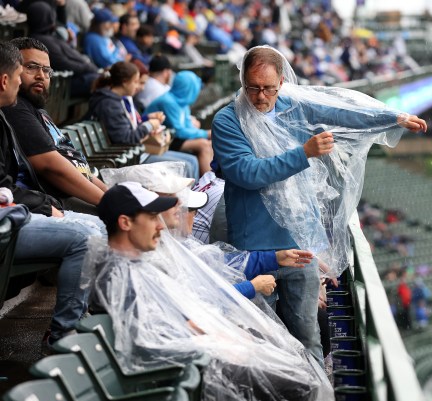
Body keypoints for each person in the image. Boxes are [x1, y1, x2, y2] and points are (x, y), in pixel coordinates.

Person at [211, 46, 426, 363]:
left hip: (300, 245)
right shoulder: (227, 121)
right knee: (264, 342)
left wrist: (391, 117)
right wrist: (304, 153)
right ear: (242, 81)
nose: (260, 97)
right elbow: (247, 172)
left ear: (282, 82)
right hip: (255, 249)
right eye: (252, 87)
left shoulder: (290, 107)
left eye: (268, 88)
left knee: (308, 335)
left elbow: (340, 110)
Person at [89, 182, 333, 400]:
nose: (160, 226)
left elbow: (176, 310)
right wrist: (215, 342)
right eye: (152, 217)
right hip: (185, 365)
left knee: (286, 354)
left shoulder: (136, 262)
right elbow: (152, 339)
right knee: (303, 383)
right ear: (125, 222)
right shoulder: (119, 274)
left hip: (196, 352)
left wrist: (219, 333)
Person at [0, 41, 101, 351]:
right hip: (12, 219)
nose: (36, 77)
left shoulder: (11, 113)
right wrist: (43, 205)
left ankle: (97, 321)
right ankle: (62, 336)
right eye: (26, 70)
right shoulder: (13, 112)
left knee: (96, 231)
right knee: (86, 237)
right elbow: (9, 187)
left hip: (19, 210)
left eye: (46, 69)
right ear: (6, 79)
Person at [100, 161, 313, 300]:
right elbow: (199, 304)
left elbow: (217, 263)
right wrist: (252, 286)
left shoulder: (166, 245)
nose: (179, 205)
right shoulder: (143, 261)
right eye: (168, 200)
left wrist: (274, 258)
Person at [3, 37, 107, 214]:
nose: (41, 76)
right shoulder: (16, 108)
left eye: (46, 70)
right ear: (14, 70)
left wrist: (111, 195)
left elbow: (80, 169)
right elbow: (51, 167)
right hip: (55, 200)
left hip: (74, 192)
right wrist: (110, 202)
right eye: (31, 67)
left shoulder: (39, 111)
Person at [86, 61, 199, 179]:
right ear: (125, 82)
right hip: (129, 158)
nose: (138, 87)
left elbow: (128, 126)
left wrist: (147, 119)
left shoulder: (117, 100)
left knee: (191, 161)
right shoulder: (109, 104)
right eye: (135, 82)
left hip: (136, 153)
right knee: (187, 166)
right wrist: (149, 125)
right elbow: (126, 138)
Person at [145, 71, 214, 175]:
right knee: (203, 144)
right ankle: (208, 184)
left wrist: (204, 134)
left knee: (209, 143)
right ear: (189, 89)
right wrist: (206, 134)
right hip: (159, 140)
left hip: (172, 137)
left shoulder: (182, 102)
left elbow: (187, 125)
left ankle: (212, 179)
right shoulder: (168, 101)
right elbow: (180, 132)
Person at [25, 2, 99, 97]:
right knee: (101, 80)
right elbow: (62, 63)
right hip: (62, 84)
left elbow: (72, 55)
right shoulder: (40, 41)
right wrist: (88, 67)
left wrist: (89, 66)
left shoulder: (48, 36)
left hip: (75, 76)